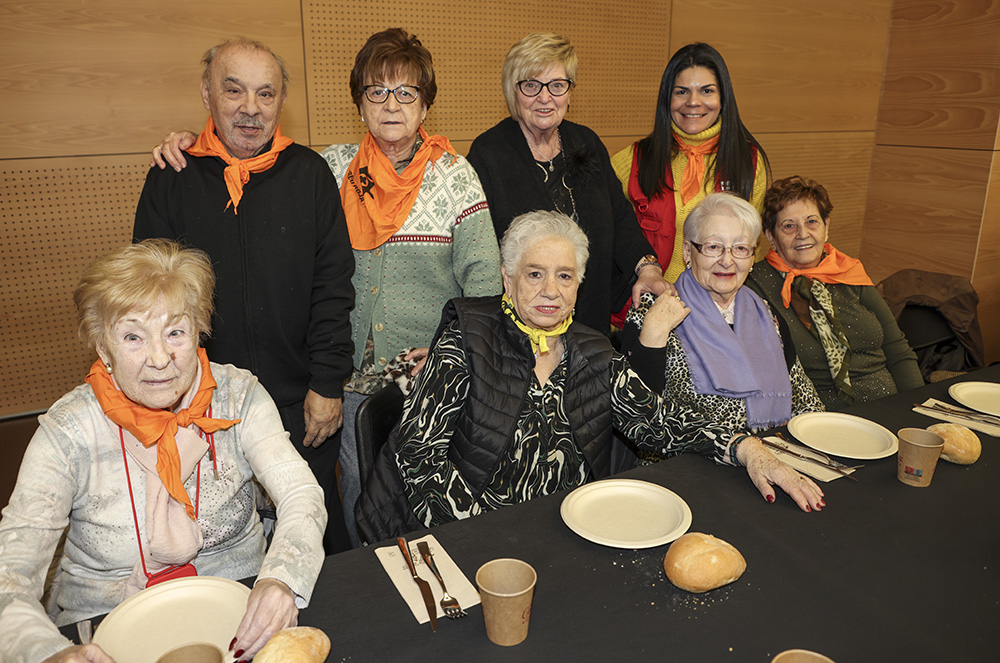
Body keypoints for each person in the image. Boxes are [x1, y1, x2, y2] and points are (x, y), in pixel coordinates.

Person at [147, 29, 502, 547]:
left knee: (432, 496)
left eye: (406, 93)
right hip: (353, 383)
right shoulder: (331, 169)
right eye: (376, 92)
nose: (391, 105)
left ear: (425, 105)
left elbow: (486, 290)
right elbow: (249, 163)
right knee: (359, 499)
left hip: (430, 375)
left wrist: (450, 353)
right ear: (359, 104)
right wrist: (185, 144)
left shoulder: (456, 177)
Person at [355, 211, 826, 543]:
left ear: (579, 285)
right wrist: (477, 534)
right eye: (534, 273)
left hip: (568, 532)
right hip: (469, 532)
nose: (548, 291)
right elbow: (418, 459)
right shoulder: (466, 340)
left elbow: (656, 420)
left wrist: (744, 446)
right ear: (507, 276)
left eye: (564, 276)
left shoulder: (593, 349)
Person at [0, 240, 326, 663]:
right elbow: (9, 576)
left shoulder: (239, 397)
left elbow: (302, 494)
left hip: (240, 614)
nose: (159, 359)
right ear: (104, 348)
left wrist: (281, 579)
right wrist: (49, 654)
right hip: (104, 626)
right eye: (133, 336)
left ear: (198, 332)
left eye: (175, 332)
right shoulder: (69, 430)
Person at [136, 37, 355, 553]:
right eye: (233, 90)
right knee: (216, 545)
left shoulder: (310, 175)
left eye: (266, 94)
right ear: (207, 94)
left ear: (282, 103)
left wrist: (327, 383)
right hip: (200, 407)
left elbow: (333, 287)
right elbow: (148, 299)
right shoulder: (172, 176)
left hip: (300, 401)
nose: (250, 109)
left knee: (313, 536)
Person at [466, 33, 668, 334]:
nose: (545, 98)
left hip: (590, 320)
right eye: (531, 85)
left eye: (557, 85)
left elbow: (620, 216)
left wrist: (647, 266)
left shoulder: (587, 141)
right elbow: (481, 254)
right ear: (513, 90)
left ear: (570, 91)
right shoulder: (488, 154)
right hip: (525, 330)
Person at [623, 193, 823, 464]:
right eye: (713, 246)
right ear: (687, 252)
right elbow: (636, 416)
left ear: (752, 258)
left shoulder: (766, 314)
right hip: (688, 467)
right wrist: (652, 338)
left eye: (740, 248)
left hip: (772, 458)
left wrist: (818, 453)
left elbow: (804, 400)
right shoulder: (654, 310)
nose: (727, 261)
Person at [747, 176, 922, 410]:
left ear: (826, 227)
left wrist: (916, 410)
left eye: (812, 222)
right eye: (789, 226)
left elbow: (898, 351)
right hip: (815, 418)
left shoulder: (850, 272)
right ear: (771, 237)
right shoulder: (755, 285)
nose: (803, 233)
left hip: (888, 406)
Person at [610, 43, 769, 299]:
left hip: (712, 311)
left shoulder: (748, 162)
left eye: (706, 91)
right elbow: (609, 236)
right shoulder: (633, 159)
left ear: (723, 98)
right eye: (682, 92)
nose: (693, 102)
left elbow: (750, 248)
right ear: (667, 99)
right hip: (641, 310)